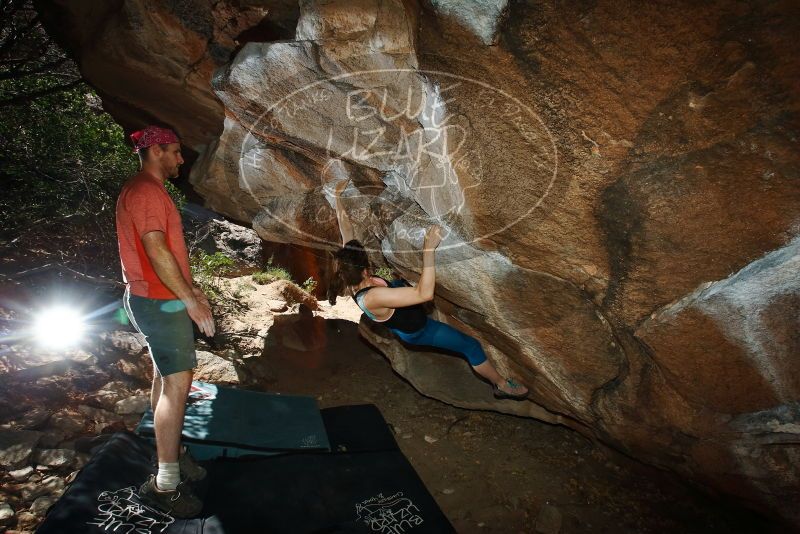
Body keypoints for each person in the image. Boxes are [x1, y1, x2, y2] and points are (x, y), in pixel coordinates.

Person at [329, 180, 528, 400]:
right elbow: (424, 294)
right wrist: (428, 249)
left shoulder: (351, 275)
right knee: (470, 346)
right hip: (419, 330)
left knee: (401, 289)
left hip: (404, 313)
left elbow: (345, 229)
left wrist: (338, 198)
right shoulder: (373, 296)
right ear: (366, 272)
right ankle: (501, 386)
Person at [115, 125, 214, 517]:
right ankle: (165, 483)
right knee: (178, 382)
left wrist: (193, 290)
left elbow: (164, 251)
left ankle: (175, 451)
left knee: (164, 373)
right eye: (175, 151)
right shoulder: (146, 192)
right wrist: (188, 299)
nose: (180, 158)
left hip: (156, 297)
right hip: (158, 300)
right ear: (156, 151)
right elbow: (156, 249)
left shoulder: (143, 190)